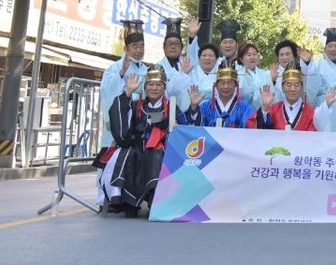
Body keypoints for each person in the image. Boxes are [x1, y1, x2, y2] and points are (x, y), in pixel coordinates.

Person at [100, 64, 173, 217]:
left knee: (155, 155)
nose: (154, 88)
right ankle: (128, 202)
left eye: (159, 85)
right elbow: (123, 132)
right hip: (137, 149)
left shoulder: (171, 108)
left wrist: (193, 107)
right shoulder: (135, 105)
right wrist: (128, 92)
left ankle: (156, 200)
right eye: (151, 84)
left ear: (164, 87)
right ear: (145, 87)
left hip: (161, 151)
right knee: (127, 155)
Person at [99, 20, 148, 147]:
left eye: (142, 46)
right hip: (122, 115)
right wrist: (122, 72)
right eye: (135, 46)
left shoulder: (146, 69)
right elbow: (107, 90)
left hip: (139, 117)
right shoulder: (115, 67)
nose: (139, 50)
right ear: (126, 48)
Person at [181, 64, 255, 128]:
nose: (226, 87)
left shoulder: (245, 107)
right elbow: (193, 130)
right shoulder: (205, 107)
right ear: (215, 85)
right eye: (222, 83)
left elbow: (248, 132)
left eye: (230, 83)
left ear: (236, 85)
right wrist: (194, 107)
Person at [251, 67, 317, 131]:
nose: (292, 89)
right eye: (288, 85)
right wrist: (264, 108)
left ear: (302, 88)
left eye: (296, 85)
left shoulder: (312, 112)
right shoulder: (273, 109)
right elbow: (261, 132)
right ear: (282, 88)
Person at [303, 27, 336, 105]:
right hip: (323, 106)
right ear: (324, 49)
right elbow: (310, 88)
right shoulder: (317, 65)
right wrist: (308, 63)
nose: (333, 49)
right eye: (330, 46)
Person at [237, 42, 274, 108]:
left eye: (254, 54)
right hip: (244, 112)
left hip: (264, 110)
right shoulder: (238, 74)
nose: (252, 57)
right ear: (241, 59)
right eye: (248, 55)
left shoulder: (264, 73)